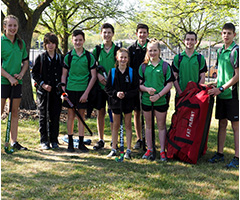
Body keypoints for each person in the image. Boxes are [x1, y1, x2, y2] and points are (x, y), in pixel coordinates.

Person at [208, 23, 239, 168]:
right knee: (221, 124)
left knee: (236, 126)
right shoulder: (220, 51)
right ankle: (219, 154)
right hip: (220, 94)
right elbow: (222, 74)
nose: (226, 35)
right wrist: (213, 85)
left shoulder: (236, 51)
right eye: (224, 33)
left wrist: (221, 88)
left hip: (232, 95)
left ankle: (237, 157)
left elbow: (237, 76)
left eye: (229, 33)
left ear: (234, 35)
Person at [61, 30, 97, 152]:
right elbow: (64, 75)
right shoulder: (68, 56)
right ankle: (70, 143)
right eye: (75, 40)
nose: (78, 42)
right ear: (72, 41)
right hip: (71, 90)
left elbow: (93, 76)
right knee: (70, 115)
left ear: (84, 41)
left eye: (80, 40)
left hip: (83, 90)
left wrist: (86, 93)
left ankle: (81, 143)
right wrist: (63, 91)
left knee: (81, 116)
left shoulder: (89, 56)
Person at [139, 39, 175, 161]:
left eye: (155, 50)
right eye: (150, 50)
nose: (152, 53)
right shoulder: (143, 66)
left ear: (159, 51)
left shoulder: (165, 66)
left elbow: (169, 84)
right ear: (147, 51)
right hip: (146, 101)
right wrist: (147, 89)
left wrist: (158, 95)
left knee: (161, 126)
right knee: (148, 125)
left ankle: (162, 151)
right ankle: (149, 148)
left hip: (160, 101)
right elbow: (139, 85)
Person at [1, 15, 29, 150]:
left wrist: (21, 74)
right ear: (4, 27)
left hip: (17, 83)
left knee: (14, 112)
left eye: (15, 25)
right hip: (2, 81)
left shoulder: (21, 43)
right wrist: (9, 77)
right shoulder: (1, 42)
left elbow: (25, 62)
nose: (12, 28)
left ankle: (14, 142)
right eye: (10, 25)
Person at [105, 48, 139, 159]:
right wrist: (116, 93)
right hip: (115, 103)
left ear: (128, 59)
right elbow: (108, 88)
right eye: (121, 57)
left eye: (125, 57)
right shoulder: (113, 72)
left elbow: (136, 89)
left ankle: (128, 149)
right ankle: (114, 149)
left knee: (128, 125)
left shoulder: (132, 72)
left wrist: (126, 94)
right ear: (117, 58)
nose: (123, 59)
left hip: (128, 102)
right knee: (115, 125)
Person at [32, 33, 63, 150]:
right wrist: (43, 84)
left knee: (55, 116)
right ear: (45, 45)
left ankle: (54, 139)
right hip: (43, 93)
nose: (50, 46)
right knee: (43, 116)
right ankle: (44, 140)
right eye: (48, 43)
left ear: (56, 45)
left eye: (53, 43)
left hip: (56, 93)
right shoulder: (40, 58)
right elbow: (34, 73)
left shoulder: (60, 58)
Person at [92, 23, 119, 150]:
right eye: (104, 32)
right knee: (100, 112)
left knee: (114, 114)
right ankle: (101, 139)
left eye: (109, 32)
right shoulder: (97, 50)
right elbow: (92, 67)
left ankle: (115, 140)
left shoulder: (117, 50)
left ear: (113, 34)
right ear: (101, 34)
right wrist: (98, 75)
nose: (107, 35)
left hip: (113, 88)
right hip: (100, 88)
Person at [128, 23, 149, 150]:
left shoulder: (151, 48)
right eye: (140, 32)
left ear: (147, 34)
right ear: (136, 34)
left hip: (148, 85)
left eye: (144, 32)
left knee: (147, 113)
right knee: (137, 112)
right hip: (135, 86)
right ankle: (139, 138)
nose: (142, 34)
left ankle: (148, 139)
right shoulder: (131, 49)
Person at [171, 31, 207, 105]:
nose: (189, 42)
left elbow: (202, 76)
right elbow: (174, 77)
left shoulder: (200, 58)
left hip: (195, 96)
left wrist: (197, 91)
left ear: (196, 41)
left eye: (192, 39)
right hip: (180, 95)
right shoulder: (178, 58)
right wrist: (179, 92)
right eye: (187, 39)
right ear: (184, 41)